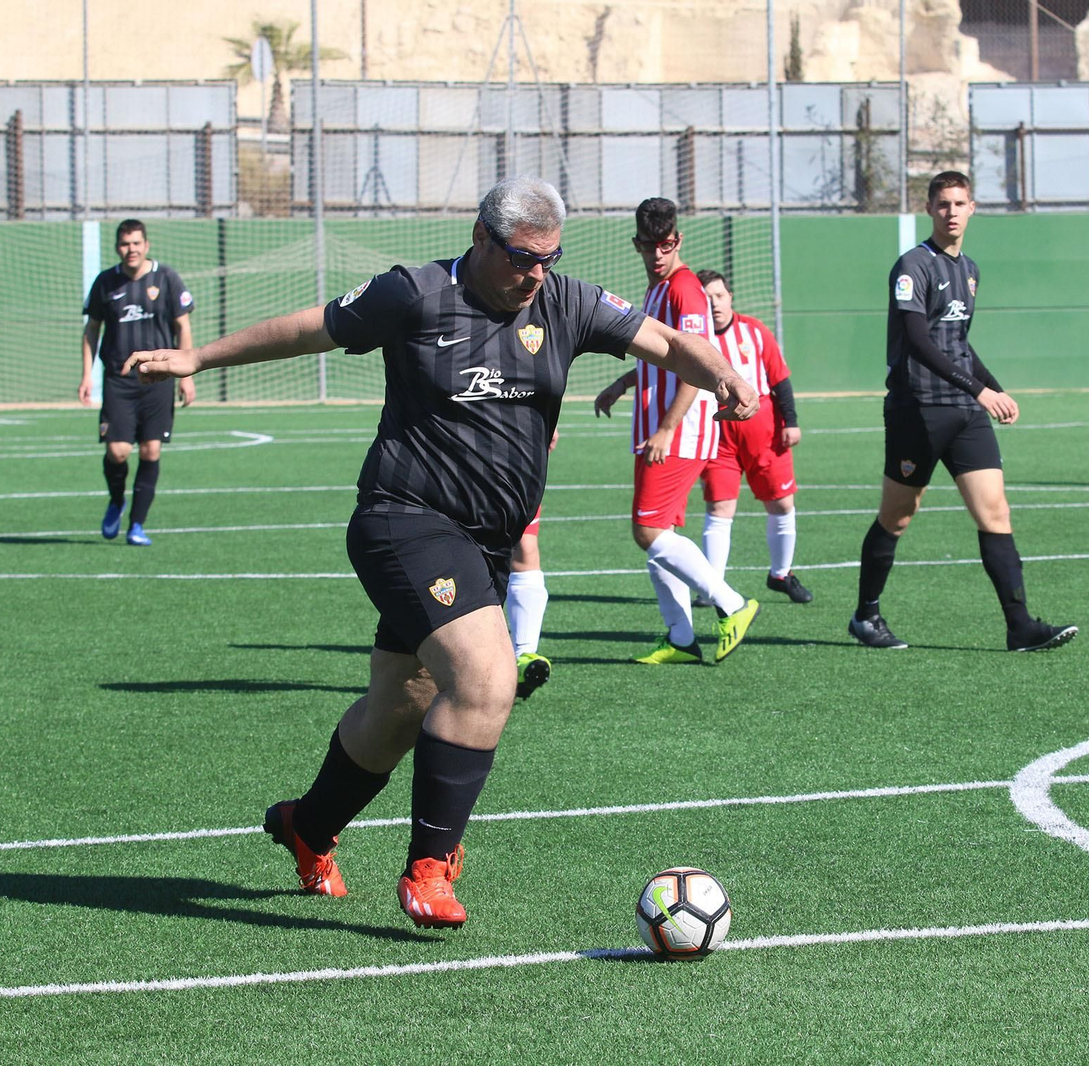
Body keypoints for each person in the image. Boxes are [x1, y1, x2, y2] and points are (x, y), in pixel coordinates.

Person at [122, 176, 758, 930]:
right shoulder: (416, 294)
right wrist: (196, 360)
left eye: (550, 259)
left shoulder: (567, 302)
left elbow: (669, 342)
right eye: (522, 258)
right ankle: (429, 867)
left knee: (400, 708)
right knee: (488, 678)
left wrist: (721, 372)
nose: (536, 274)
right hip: (404, 520)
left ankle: (308, 825)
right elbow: (309, 328)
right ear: (482, 237)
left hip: (487, 542)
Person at [850, 171, 1076, 653]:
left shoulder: (969, 269)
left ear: (972, 208)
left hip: (964, 410)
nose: (951, 212)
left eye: (959, 203)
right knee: (898, 516)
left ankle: (1020, 626)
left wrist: (993, 389)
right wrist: (979, 390)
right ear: (929, 209)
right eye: (943, 204)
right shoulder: (913, 265)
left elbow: (958, 343)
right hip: (918, 409)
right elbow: (918, 340)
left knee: (995, 512)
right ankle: (866, 616)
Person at [592, 197, 761, 666]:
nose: (658, 253)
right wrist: (624, 382)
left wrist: (667, 428)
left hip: (680, 434)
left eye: (665, 244)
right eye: (649, 245)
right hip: (657, 429)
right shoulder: (658, 289)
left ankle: (732, 604)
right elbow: (662, 356)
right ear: (637, 244)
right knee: (659, 532)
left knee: (647, 530)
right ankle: (681, 637)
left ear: (678, 240)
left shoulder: (685, 289)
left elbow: (696, 361)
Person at [692, 268, 811, 604]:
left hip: (765, 431)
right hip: (719, 435)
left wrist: (791, 422)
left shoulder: (755, 331)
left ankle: (781, 574)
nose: (714, 304)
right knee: (720, 507)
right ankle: (712, 587)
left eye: (719, 296)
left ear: (730, 297)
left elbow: (780, 379)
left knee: (782, 502)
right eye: (706, 298)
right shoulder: (695, 341)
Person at [80, 219, 195, 546]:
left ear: (146, 245)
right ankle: (117, 500)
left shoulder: (166, 278)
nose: (131, 249)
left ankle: (137, 525)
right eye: (124, 244)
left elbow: (183, 327)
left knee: (150, 449)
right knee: (117, 452)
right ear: (117, 247)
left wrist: (186, 375)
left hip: (158, 378)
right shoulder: (106, 282)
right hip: (119, 380)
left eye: (136, 243)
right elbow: (92, 330)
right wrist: (86, 374)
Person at [508, 429, 558, 700]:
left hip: (519, 448)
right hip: (460, 447)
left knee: (524, 546)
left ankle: (524, 657)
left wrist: (549, 422)